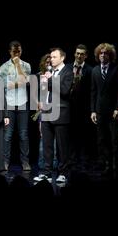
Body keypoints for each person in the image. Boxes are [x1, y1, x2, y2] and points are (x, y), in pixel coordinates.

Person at [34, 48, 73, 183]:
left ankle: (63, 172)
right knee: (47, 146)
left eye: (55, 57)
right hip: (47, 112)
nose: (51, 59)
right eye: (51, 57)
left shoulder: (68, 71)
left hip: (61, 113)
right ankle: (46, 172)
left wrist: (50, 81)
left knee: (62, 146)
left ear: (62, 58)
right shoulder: (49, 71)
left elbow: (65, 91)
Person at [91, 43, 118, 176]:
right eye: (101, 53)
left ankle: (117, 166)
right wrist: (93, 110)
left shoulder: (117, 68)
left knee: (115, 141)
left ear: (110, 55)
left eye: (105, 53)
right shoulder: (94, 70)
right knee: (102, 140)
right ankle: (107, 165)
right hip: (100, 111)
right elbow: (93, 92)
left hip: (113, 111)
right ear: (98, 55)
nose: (103, 55)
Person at [0, 40, 31, 171]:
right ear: (10, 52)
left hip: (23, 103)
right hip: (9, 103)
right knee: (7, 135)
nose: (17, 53)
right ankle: (5, 161)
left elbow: (26, 81)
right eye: (14, 51)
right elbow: (3, 86)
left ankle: (25, 162)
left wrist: (18, 66)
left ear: (21, 51)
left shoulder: (26, 65)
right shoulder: (4, 67)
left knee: (23, 135)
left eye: (19, 51)